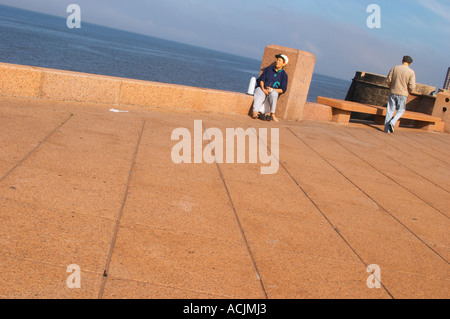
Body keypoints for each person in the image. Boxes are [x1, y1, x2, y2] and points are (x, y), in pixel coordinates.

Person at [252, 54, 289, 122]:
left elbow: (283, 89)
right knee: (260, 93)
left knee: (274, 93)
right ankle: (255, 112)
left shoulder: (284, 75)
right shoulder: (269, 69)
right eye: (277, 60)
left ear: (284, 64)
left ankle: (272, 114)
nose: (277, 61)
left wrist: (272, 90)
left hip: (271, 92)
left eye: (279, 61)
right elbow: (261, 79)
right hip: (262, 88)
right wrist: (263, 89)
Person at [384, 56, 416, 133]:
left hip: (393, 92)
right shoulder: (411, 72)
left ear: (402, 60)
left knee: (390, 110)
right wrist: (410, 91)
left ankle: (386, 129)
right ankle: (392, 122)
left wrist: (391, 87)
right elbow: (412, 86)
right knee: (401, 110)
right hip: (403, 94)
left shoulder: (395, 68)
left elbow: (388, 80)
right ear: (410, 63)